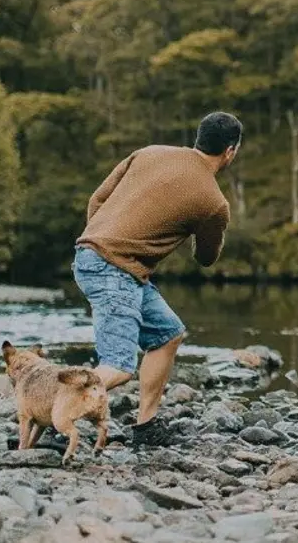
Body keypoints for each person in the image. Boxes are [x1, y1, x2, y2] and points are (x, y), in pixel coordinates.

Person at [72, 112, 241, 447]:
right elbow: (205, 258)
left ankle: (146, 427)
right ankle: (55, 409)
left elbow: (97, 200)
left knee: (168, 334)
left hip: (102, 258)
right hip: (115, 268)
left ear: (198, 137)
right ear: (230, 151)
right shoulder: (213, 202)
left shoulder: (148, 153)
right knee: (119, 366)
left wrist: (101, 241)